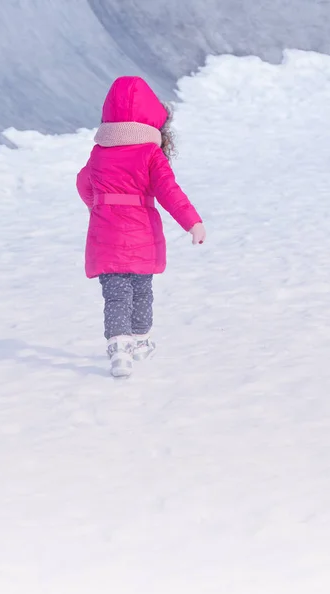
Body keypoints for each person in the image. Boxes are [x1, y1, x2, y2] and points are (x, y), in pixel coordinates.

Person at [76, 76, 206, 377]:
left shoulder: (99, 152)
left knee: (116, 294)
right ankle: (140, 340)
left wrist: (97, 204)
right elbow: (169, 191)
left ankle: (119, 348)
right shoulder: (151, 154)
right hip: (141, 235)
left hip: (105, 233)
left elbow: (84, 183)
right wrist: (193, 222)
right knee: (141, 291)